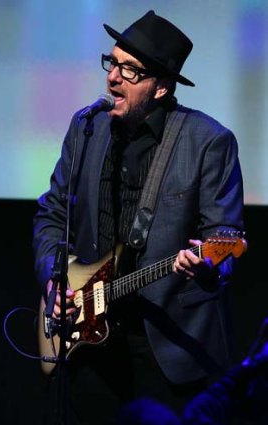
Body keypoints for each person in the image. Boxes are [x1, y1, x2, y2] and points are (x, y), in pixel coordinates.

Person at [33, 10, 244, 425]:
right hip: (90, 347)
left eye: (130, 71)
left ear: (161, 87)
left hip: (166, 349)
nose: (113, 78)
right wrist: (53, 278)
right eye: (112, 63)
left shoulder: (209, 142)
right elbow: (52, 214)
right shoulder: (85, 128)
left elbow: (225, 235)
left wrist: (202, 265)